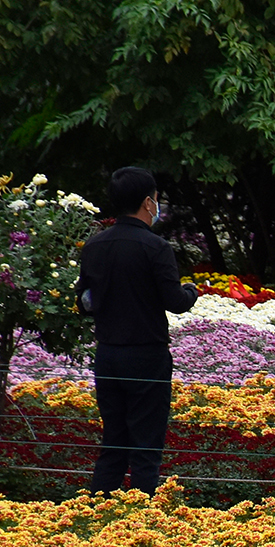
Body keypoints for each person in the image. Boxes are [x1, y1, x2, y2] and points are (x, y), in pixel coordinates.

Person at [75, 167, 198, 494]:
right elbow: (175, 301)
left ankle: (96, 512)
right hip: (146, 356)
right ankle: (141, 520)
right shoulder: (155, 247)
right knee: (145, 445)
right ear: (147, 202)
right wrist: (192, 291)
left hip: (108, 355)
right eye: (156, 200)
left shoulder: (95, 246)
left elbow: (84, 302)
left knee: (113, 441)